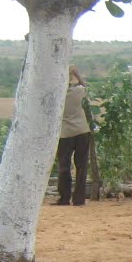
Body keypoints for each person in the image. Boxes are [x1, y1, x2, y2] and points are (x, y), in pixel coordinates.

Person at [55, 65, 91, 206]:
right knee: (81, 166)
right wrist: (77, 73)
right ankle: (79, 199)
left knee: (64, 166)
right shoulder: (78, 91)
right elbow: (85, 85)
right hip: (82, 131)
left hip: (65, 134)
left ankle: (64, 198)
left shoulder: (57, 96)